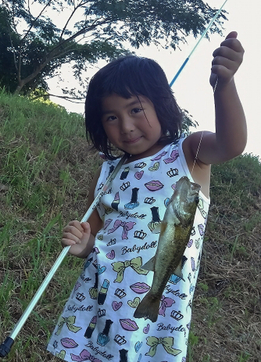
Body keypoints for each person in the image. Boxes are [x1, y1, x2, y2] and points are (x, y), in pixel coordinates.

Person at [47, 31, 245, 362]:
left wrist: (224, 85)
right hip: (99, 296)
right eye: (111, 117)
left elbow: (231, 143)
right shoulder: (108, 171)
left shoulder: (188, 152)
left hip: (159, 306)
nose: (126, 125)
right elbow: (92, 233)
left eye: (136, 109)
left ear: (161, 103)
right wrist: (82, 246)